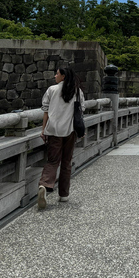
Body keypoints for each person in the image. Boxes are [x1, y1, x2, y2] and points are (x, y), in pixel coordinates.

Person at [38, 67, 85, 209]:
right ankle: (63, 194)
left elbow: (45, 111)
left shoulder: (51, 90)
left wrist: (43, 129)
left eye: (57, 73)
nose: (55, 76)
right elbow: (81, 110)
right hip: (70, 131)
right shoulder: (77, 91)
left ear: (63, 76)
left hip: (53, 130)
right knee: (66, 162)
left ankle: (45, 185)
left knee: (53, 161)